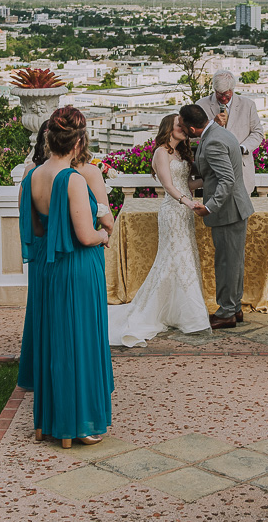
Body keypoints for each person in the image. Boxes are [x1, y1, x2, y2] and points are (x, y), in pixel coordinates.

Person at [27, 107, 113, 447]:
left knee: (54, 344)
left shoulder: (33, 176)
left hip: (48, 268)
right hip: (77, 269)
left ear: (49, 138)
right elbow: (85, 235)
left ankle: (47, 422)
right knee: (81, 343)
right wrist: (104, 236)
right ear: (78, 142)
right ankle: (78, 425)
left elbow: (36, 228)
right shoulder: (75, 179)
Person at [107, 114, 210, 347]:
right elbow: (168, 185)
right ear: (168, 128)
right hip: (173, 212)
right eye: (179, 125)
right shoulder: (161, 153)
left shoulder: (182, 153)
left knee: (182, 259)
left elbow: (186, 184)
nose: (183, 129)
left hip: (184, 210)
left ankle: (177, 312)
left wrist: (205, 181)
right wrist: (188, 202)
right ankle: (192, 318)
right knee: (177, 259)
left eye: (184, 125)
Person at [180, 103, 253, 329]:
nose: (181, 128)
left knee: (226, 264)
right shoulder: (219, 133)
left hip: (228, 210)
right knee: (233, 263)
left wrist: (210, 206)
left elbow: (227, 180)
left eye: (182, 126)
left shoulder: (212, 142)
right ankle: (234, 308)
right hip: (234, 208)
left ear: (192, 130)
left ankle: (226, 312)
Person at [17, 120, 50, 392]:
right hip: (41, 245)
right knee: (39, 306)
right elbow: (24, 211)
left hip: (56, 242)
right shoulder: (32, 171)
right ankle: (36, 369)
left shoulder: (69, 170)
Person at [196, 70, 264, 196]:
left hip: (241, 173)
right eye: (219, 94)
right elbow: (192, 136)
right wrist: (212, 125)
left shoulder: (248, 105)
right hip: (212, 174)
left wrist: (242, 148)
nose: (223, 98)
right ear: (214, 89)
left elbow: (258, 133)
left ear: (233, 89)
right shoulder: (201, 105)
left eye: (227, 94)